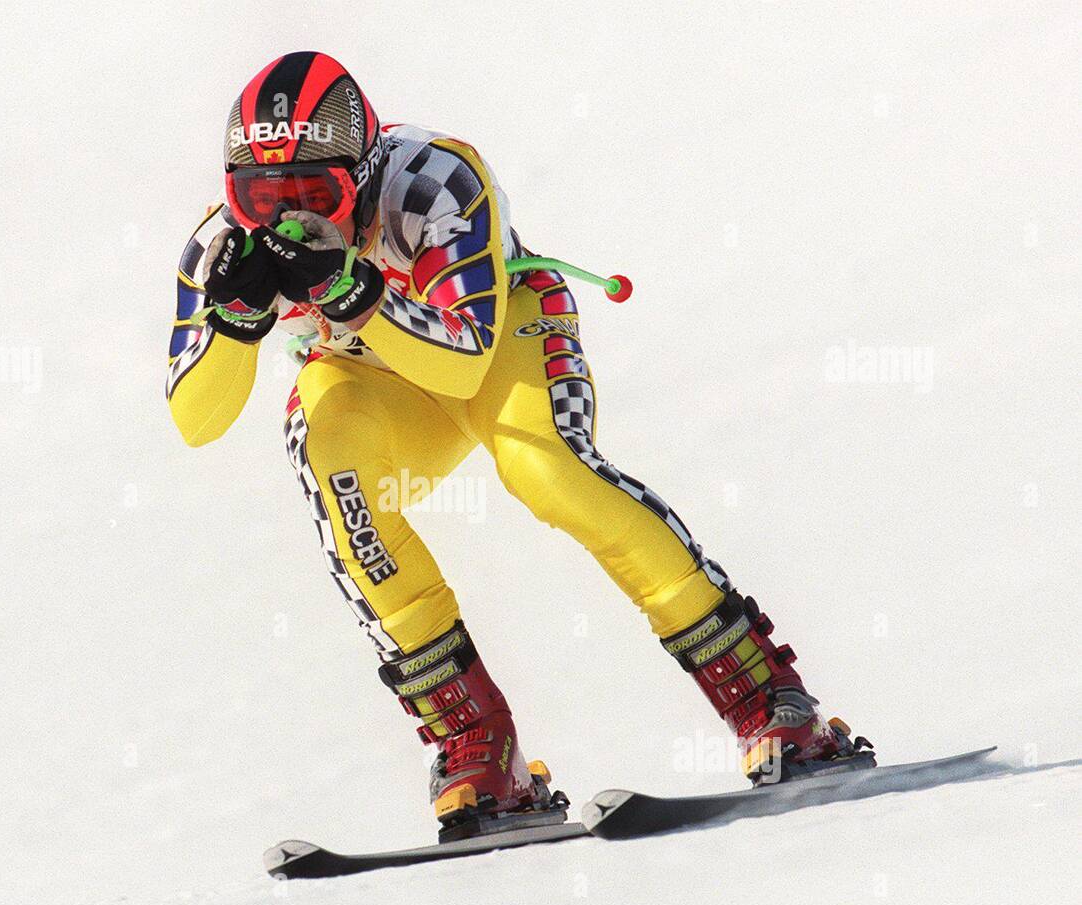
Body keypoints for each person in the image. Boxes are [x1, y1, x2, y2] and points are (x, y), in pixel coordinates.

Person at [166, 51, 871, 839]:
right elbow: (197, 420)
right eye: (262, 198)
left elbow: (464, 360)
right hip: (376, 380)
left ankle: (766, 696)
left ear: (362, 176)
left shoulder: (433, 180)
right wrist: (232, 320)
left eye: (316, 196)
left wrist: (347, 290)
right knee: (335, 474)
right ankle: (477, 744)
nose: (290, 220)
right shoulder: (223, 245)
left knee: (545, 469)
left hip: (497, 337)